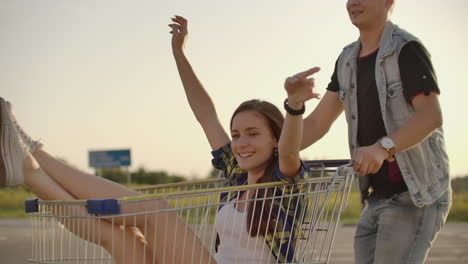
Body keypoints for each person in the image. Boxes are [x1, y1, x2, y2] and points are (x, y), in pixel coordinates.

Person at [0, 16, 320, 264]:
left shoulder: (283, 181)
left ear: (275, 139)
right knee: (125, 240)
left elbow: (291, 150)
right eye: (236, 134)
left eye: (253, 134)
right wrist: (179, 54)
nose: (240, 143)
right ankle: (29, 168)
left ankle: (33, 151)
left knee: (155, 209)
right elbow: (205, 114)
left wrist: (294, 106)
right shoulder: (236, 175)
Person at [291, 0, 451, 263]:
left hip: (415, 193)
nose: (353, 2)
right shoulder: (346, 61)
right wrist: (285, 121)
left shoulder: (406, 49)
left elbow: (430, 116)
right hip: (377, 196)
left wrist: (382, 148)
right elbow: (316, 125)